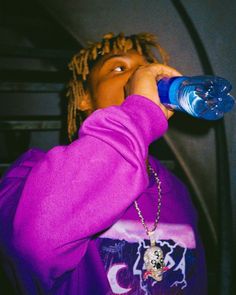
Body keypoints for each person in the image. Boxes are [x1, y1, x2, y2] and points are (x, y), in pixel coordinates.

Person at [0, 32, 207, 294]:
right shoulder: (29, 174)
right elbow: (33, 242)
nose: (140, 79)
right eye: (119, 68)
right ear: (85, 97)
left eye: (145, 70)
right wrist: (140, 111)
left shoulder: (176, 188)